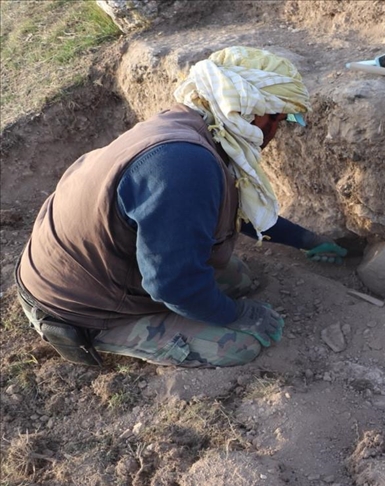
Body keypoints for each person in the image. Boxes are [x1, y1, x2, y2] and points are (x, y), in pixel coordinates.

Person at [15, 46, 346, 368]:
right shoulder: (185, 165)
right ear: (247, 111)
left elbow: (233, 206)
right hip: (76, 303)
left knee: (240, 278)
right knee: (239, 344)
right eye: (277, 118)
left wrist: (306, 241)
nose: (275, 130)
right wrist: (238, 315)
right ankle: (103, 332)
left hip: (101, 265)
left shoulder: (197, 128)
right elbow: (173, 285)